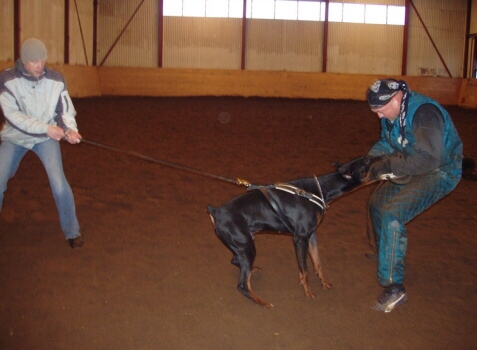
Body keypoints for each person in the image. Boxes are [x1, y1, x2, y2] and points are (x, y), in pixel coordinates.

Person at [365, 79, 463, 312]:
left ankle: (395, 288)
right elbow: (387, 142)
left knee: (392, 214)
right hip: (412, 164)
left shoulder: (425, 114)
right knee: (376, 203)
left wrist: (389, 165)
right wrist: (369, 161)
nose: (379, 116)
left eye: (380, 110)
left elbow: (430, 159)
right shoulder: (392, 114)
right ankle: (385, 253)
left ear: (397, 98)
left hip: (439, 171)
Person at [0, 38, 83, 249]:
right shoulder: (7, 79)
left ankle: (72, 231)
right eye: (34, 61)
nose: (40, 65)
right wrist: (46, 128)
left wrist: (68, 130)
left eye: (42, 60)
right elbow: (14, 117)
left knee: (59, 183)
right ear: (24, 61)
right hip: (15, 138)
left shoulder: (56, 79)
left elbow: (64, 110)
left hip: (45, 140)